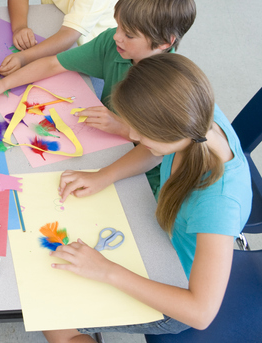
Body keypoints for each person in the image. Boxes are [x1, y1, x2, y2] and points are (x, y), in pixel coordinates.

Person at [42, 54, 251, 342]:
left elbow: (201, 313)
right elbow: (156, 148)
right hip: (158, 245)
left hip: (175, 293)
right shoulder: (193, 114)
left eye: (140, 131)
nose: (131, 134)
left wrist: (107, 271)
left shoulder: (218, 204)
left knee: (54, 319)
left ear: (167, 133)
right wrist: (104, 175)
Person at [0, 0, 196, 195]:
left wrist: (108, 161)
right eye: (118, 26)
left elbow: (154, 153)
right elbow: (54, 64)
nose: (116, 36)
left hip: (145, 176)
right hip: (105, 149)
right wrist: (2, 85)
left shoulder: (169, 89)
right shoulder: (114, 42)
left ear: (165, 43)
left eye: (128, 35)